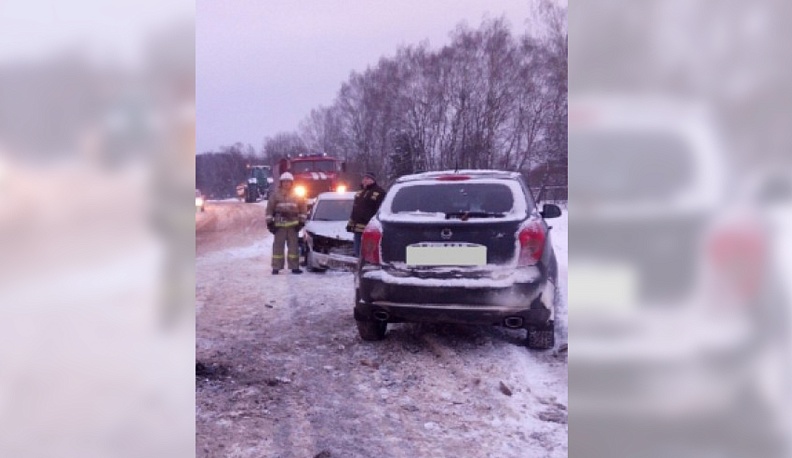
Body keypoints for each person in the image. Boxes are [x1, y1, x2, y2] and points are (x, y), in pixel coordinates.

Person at [266, 172, 308, 274]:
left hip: (293, 227)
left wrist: (301, 223)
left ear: (291, 183)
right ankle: (276, 267)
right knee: (277, 248)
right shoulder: (275, 195)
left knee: (293, 249)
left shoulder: (298, 195)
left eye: (288, 182)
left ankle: (294, 267)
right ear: (281, 183)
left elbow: (303, 209)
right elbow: (269, 210)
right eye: (284, 182)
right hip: (279, 227)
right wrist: (270, 224)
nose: (286, 184)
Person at [346, 172, 387, 256]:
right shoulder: (359, 193)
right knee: (357, 251)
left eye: (367, 178)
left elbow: (380, 211)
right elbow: (354, 210)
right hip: (357, 229)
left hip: (370, 229)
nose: (364, 180)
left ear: (373, 180)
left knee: (369, 252)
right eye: (364, 178)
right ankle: (358, 264)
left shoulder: (379, 193)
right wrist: (350, 224)